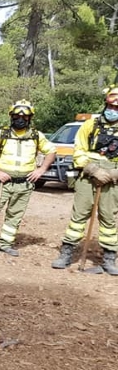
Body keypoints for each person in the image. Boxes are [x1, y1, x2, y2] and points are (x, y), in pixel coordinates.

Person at [0, 100, 56, 256]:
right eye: (16, 116)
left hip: (24, 184)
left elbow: (51, 151)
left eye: (25, 117)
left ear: (30, 118)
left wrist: (42, 169)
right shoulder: (1, 134)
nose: (20, 119)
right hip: (2, 182)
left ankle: (6, 244)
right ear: (11, 116)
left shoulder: (36, 136)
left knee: (14, 216)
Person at [52, 86, 118, 273]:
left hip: (113, 179)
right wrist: (93, 169)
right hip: (88, 175)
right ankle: (66, 253)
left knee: (108, 219)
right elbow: (78, 151)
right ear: (106, 104)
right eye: (112, 107)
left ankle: (109, 258)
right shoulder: (90, 125)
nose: (114, 111)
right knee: (79, 216)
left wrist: (113, 174)